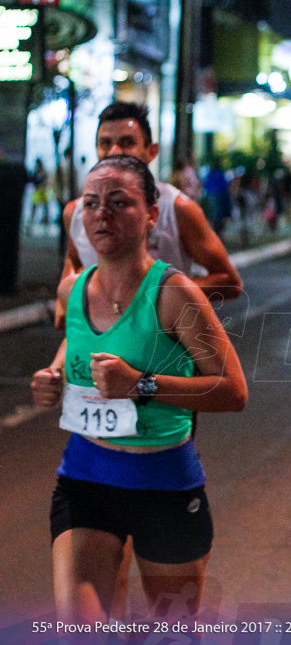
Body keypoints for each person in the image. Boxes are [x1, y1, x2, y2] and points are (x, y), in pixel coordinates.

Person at [30, 155, 247, 625]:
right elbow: (78, 341)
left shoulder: (174, 293)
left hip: (164, 484)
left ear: (151, 213)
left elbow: (233, 390)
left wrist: (140, 385)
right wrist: (53, 376)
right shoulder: (73, 292)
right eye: (91, 204)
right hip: (85, 479)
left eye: (118, 202)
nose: (101, 214)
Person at [59, 102, 242, 324]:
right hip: (99, 348)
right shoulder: (76, 212)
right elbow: (75, 258)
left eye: (127, 143)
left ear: (151, 151)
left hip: (162, 348)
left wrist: (159, 297)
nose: (114, 152)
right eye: (105, 143)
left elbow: (229, 281)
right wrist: (66, 297)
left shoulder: (177, 209)